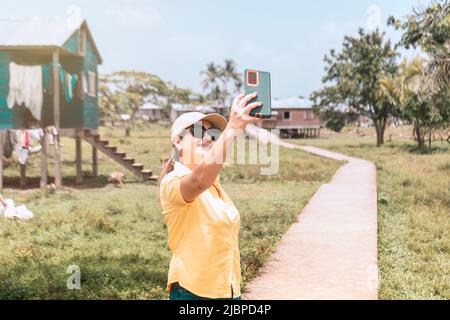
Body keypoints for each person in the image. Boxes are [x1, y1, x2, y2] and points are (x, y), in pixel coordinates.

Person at [159, 92, 262, 300]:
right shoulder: (173, 182)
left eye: (213, 134)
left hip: (228, 291)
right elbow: (197, 181)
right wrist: (232, 128)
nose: (207, 138)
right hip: (193, 293)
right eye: (197, 131)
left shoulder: (215, 186)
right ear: (177, 141)